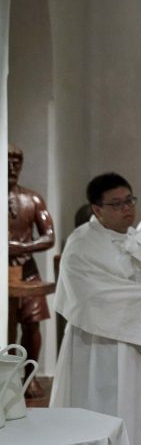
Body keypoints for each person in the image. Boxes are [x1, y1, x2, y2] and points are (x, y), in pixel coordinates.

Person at [49, 173, 141, 445]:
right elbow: (94, 298)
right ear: (96, 209)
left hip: (137, 343)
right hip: (97, 345)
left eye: (129, 200)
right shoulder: (81, 246)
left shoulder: (137, 236)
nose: (127, 209)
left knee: (136, 410)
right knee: (100, 406)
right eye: (117, 204)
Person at [7, 145, 55, 397]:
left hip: (26, 270)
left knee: (32, 323)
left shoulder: (32, 199)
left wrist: (22, 246)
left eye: (17, 161)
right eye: (7, 160)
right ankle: (7, 379)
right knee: (5, 326)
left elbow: (49, 236)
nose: (13, 166)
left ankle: (29, 377)